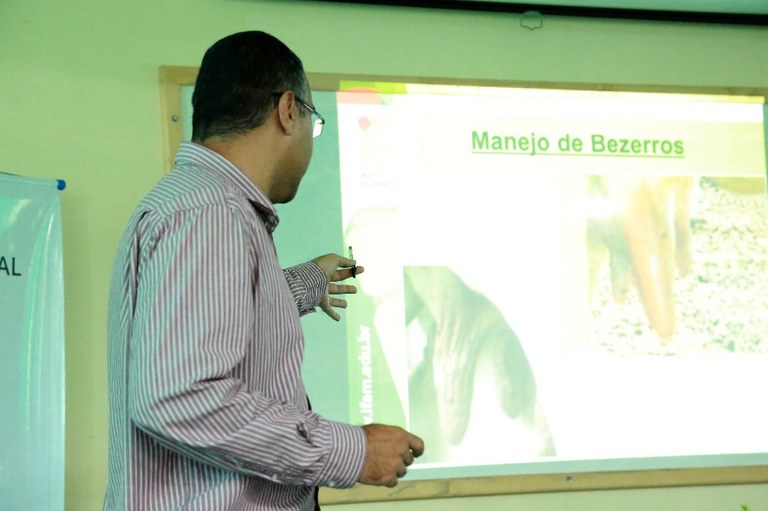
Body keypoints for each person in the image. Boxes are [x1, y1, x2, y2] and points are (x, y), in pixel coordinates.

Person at [104, 31, 424, 511]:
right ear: (288, 110)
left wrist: (307, 282)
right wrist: (353, 451)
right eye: (312, 124)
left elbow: (221, 315)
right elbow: (180, 396)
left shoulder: (199, 203)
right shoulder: (210, 213)